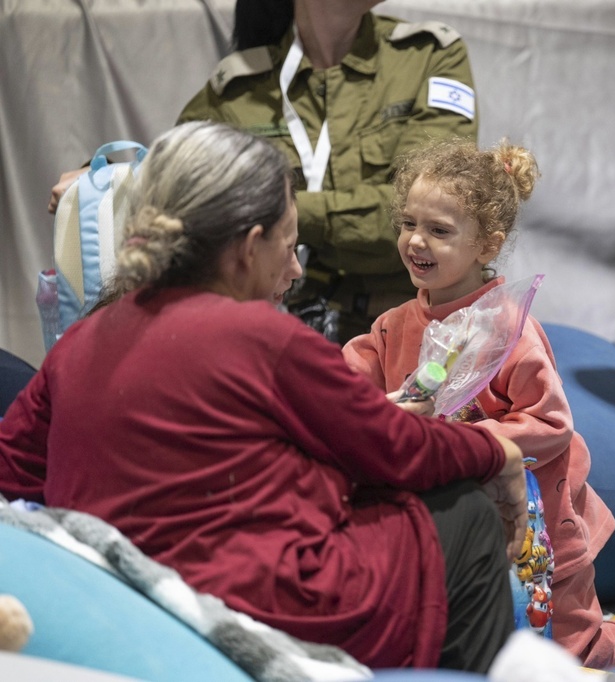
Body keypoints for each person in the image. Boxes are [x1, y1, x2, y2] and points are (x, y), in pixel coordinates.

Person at [7, 121, 527, 672]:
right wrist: (499, 454)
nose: (297, 268)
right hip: (264, 603)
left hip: (120, 593)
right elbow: (399, 448)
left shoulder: (81, 340)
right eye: (288, 245)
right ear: (249, 248)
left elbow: (12, 470)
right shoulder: (264, 339)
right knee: (464, 512)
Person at [341, 138, 615, 669]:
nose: (416, 240)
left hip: (537, 530)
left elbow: (551, 422)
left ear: (487, 245)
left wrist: (457, 440)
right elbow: (344, 385)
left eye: (439, 230)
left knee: (576, 651)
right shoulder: (394, 326)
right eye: (408, 223)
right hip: (450, 525)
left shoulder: (510, 329)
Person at [50, 0, 478, 344]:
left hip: (410, 336)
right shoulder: (241, 88)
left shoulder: (428, 57)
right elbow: (179, 178)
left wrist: (274, 212)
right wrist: (103, 182)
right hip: (274, 336)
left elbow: (425, 216)